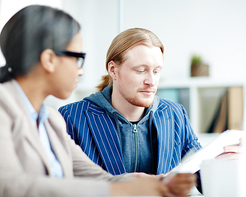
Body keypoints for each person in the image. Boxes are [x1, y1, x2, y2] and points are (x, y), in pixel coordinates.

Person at [0, 5, 194, 196]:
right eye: (77, 58)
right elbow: (10, 186)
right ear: (49, 59)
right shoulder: (4, 108)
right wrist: (118, 190)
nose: (80, 70)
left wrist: (161, 184)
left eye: (156, 71)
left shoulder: (51, 120)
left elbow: (100, 179)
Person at [58, 27, 204, 193]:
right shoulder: (71, 117)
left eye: (156, 71)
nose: (151, 81)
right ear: (113, 70)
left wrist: (227, 163)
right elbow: (60, 186)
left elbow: (202, 175)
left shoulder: (175, 114)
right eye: (141, 70)